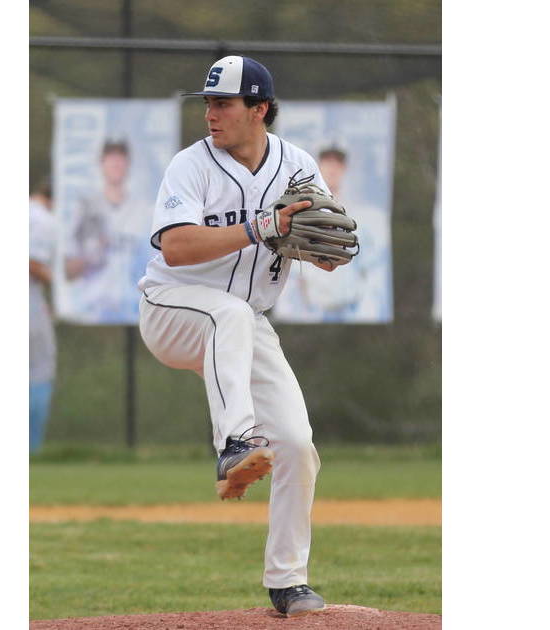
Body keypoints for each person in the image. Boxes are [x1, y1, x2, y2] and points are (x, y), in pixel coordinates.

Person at [136, 55, 336, 618]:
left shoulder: (297, 167)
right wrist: (261, 227)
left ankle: (288, 581)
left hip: (246, 323)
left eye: (223, 103)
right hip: (172, 309)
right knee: (227, 312)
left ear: (260, 110)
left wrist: (321, 249)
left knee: (297, 443)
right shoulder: (190, 166)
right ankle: (236, 444)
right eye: (207, 103)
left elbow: (327, 244)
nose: (211, 114)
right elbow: (174, 247)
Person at [63, 140, 150, 323]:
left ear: (128, 165)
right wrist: (91, 257)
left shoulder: (144, 211)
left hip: (135, 310)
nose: (116, 165)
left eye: (121, 160)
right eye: (111, 160)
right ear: (101, 164)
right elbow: (68, 271)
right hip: (93, 311)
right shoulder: (85, 209)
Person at [29, 180, 57, 453]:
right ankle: (31, 447)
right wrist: (63, 287)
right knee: (39, 370)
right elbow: (32, 262)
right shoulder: (43, 218)